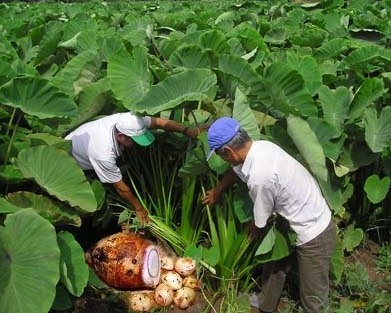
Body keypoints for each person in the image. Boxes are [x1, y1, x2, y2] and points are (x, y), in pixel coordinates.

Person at [202, 117, 336, 313]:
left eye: (222, 156)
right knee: (274, 261)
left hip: (314, 231)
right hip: (290, 219)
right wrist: (218, 190)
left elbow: (261, 219)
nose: (224, 160)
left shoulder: (260, 175)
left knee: (313, 298)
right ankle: (266, 302)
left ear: (229, 151)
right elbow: (236, 169)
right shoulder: (260, 147)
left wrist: (252, 233)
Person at [66, 111, 200, 225]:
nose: (137, 144)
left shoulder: (129, 121)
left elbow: (159, 122)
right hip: (69, 161)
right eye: (134, 141)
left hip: (85, 140)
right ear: (121, 137)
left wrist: (187, 130)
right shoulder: (103, 153)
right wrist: (139, 208)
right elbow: (120, 188)